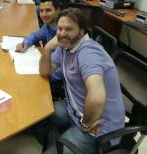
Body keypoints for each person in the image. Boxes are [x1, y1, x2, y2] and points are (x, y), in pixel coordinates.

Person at [39, 8, 125, 154]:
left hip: (96, 127)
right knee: (37, 116)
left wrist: (85, 124)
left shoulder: (88, 53)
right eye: (59, 29)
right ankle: (61, 142)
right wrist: (47, 48)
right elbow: (45, 71)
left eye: (69, 29)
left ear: (81, 31)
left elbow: (97, 99)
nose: (62, 34)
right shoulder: (65, 45)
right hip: (74, 109)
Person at [16, 0, 63, 96]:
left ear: (58, 10)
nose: (44, 14)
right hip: (46, 69)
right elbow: (34, 35)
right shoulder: (48, 26)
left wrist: (42, 75)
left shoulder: (63, 31)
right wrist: (26, 43)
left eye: (48, 10)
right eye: (41, 11)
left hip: (56, 80)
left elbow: (64, 68)